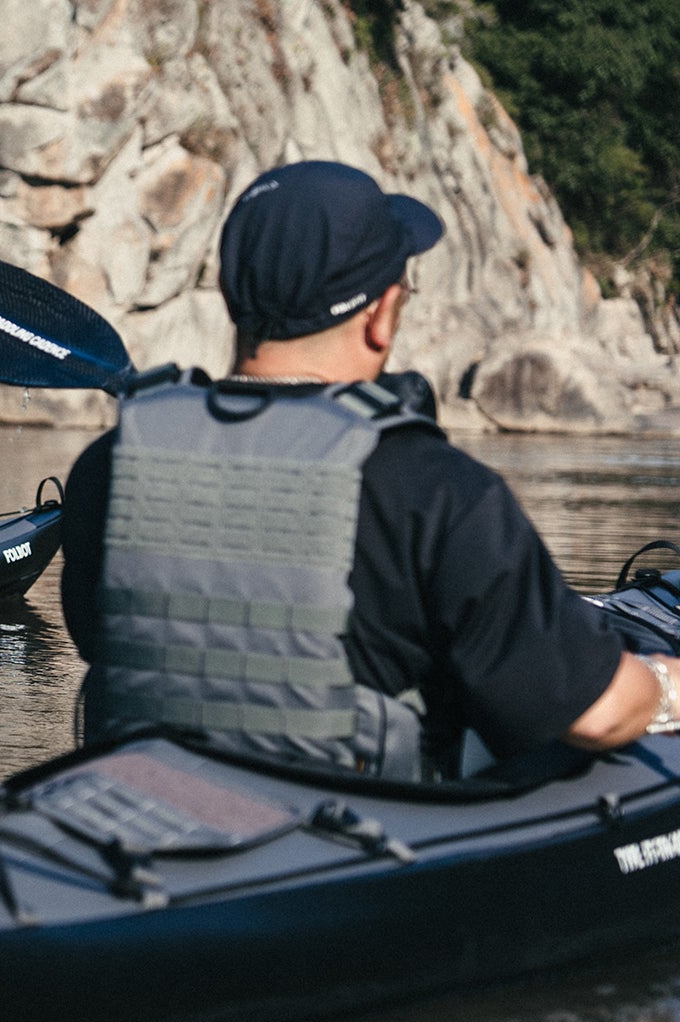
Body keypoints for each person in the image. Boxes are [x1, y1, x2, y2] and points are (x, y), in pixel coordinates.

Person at [59, 160, 678, 781]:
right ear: (382, 315)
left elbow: (101, 644)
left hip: (139, 814)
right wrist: (663, 682)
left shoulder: (107, 468)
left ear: (227, 293)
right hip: (357, 829)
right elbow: (598, 714)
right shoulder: (441, 493)